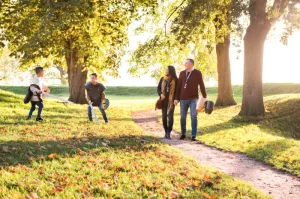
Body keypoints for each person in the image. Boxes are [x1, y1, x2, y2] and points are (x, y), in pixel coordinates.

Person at [174, 59, 207, 141]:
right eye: (184, 62)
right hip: (183, 98)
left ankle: (193, 135)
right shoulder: (182, 73)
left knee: (193, 116)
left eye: (186, 63)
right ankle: (183, 134)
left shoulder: (197, 73)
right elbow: (178, 87)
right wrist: (176, 98)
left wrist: (205, 96)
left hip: (194, 99)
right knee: (183, 117)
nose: (184, 64)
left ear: (191, 64)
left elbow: (202, 85)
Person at [157, 66, 178, 139]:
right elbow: (158, 88)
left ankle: (169, 132)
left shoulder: (176, 80)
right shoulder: (162, 79)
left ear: (171, 70)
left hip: (171, 101)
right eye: (165, 69)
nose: (165, 70)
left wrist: (176, 99)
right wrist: (161, 94)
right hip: (163, 100)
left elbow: (177, 91)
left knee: (170, 117)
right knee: (164, 117)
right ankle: (166, 131)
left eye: (167, 69)